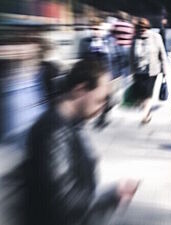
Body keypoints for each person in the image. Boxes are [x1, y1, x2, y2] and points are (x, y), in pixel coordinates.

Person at [9, 58, 139, 225]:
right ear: (80, 89)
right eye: (100, 99)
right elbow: (65, 205)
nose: (104, 106)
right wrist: (113, 196)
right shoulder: (54, 132)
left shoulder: (70, 124)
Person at [130, 18, 168, 124]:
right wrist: (132, 71)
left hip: (152, 71)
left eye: (144, 28)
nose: (142, 30)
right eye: (140, 28)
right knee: (141, 94)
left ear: (148, 27)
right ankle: (147, 111)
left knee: (148, 93)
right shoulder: (135, 38)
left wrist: (164, 71)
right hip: (138, 71)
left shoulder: (156, 37)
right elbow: (131, 56)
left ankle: (145, 115)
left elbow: (162, 54)